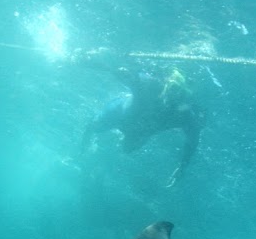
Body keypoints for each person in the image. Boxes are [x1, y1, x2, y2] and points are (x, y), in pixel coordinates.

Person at [79, 55, 204, 187]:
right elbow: (122, 73)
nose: (174, 95)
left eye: (179, 92)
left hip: (145, 119)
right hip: (127, 110)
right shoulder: (150, 90)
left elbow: (193, 141)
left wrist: (182, 166)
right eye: (173, 88)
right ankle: (83, 149)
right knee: (94, 127)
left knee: (127, 148)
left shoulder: (181, 116)